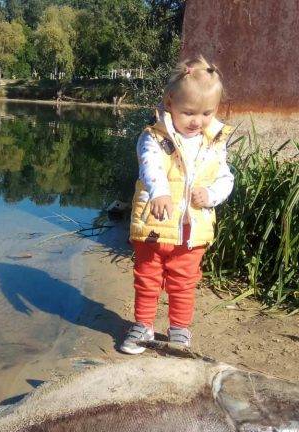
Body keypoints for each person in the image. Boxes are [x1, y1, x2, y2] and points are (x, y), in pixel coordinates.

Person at [120, 56, 234, 354]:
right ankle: (143, 326)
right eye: (189, 112)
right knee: (147, 278)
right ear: (170, 102)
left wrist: (210, 195)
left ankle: (179, 330)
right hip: (155, 226)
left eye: (207, 113)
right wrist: (159, 192)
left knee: (184, 282)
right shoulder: (154, 137)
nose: (197, 120)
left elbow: (225, 178)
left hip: (191, 230)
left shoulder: (214, 143)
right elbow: (150, 167)